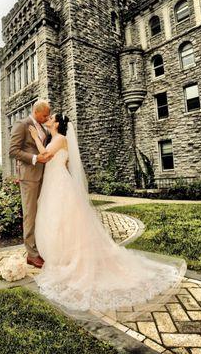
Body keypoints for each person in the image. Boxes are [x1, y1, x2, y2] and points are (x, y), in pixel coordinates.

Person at [27, 113, 187, 312]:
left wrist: (34, 137)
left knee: (62, 220)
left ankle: (66, 257)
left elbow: (46, 156)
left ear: (57, 123)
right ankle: (62, 255)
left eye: (51, 117)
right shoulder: (56, 139)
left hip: (59, 183)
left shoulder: (60, 138)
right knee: (59, 221)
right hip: (56, 182)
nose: (48, 119)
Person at [8, 99, 53, 269]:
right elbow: (13, 151)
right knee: (30, 214)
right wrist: (35, 158)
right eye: (45, 114)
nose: (47, 117)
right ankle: (32, 255)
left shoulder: (42, 127)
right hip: (29, 176)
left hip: (45, 175)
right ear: (36, 112)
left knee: (41, 213)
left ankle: (41, 247)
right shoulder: (22, 125)